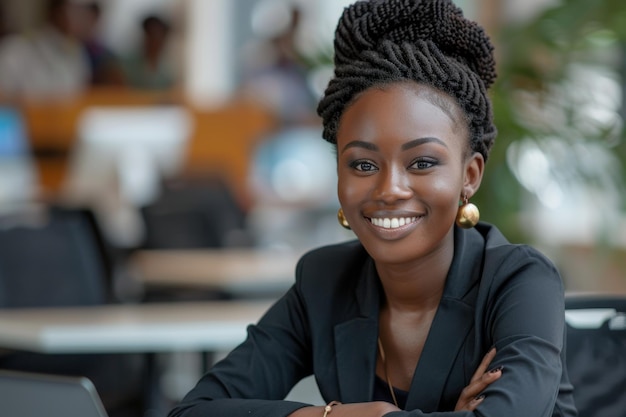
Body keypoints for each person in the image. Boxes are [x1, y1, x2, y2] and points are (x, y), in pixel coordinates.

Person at [168, 1, 577, 416]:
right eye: (363, 164)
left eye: (421, 163)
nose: (390, 189)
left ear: (469, 176)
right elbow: (194, 411)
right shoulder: (324, 283)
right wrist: (354, 415)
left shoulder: (519, 281)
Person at [0, 0, 90, 100]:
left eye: (85, 11)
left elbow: (77, 96)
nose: (82, 17)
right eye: (75, 11)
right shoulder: (14, 50)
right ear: (55, 12)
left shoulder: (78, 52)